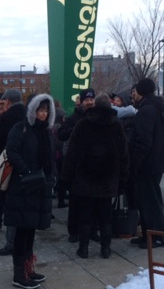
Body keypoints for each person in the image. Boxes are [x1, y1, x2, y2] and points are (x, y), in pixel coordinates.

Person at [62, 94, 129, 260]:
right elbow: (124, 154)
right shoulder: (116, 125)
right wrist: (123, 178)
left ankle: (83, 249)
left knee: (84, 215)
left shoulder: (83, 124)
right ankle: (105, 249)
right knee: (105, 215)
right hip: (108, 179)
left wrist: (66, 177)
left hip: (84, 177)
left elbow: (72, 152)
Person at [4, 94, 56, 288]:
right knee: (22, 232)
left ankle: (28, 268)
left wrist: (51, 177)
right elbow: (12, 152)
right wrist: (27, 171)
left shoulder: (46, 132)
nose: (43, 114)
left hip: (40, 187)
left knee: (31, 230)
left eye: (45, 110)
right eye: (40, 110)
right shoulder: (21, 128)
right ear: (32, 110)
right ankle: (19, 274)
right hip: (23, 187)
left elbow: (51, 157)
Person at [128, 78, 164, 249]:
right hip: (156, 161)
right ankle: (148, 235)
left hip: (147, 164)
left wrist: (135, 163)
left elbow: (143, 141)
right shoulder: (157, 107)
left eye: (135, 91)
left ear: (141, 91)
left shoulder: (146, 110)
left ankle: (156, 237)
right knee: (149, 201)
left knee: (150, 202)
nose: (133, 94)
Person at [0, 89, 25, 256]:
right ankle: (21, 241)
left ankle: (11, 243)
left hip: (9, 165)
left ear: (8, 102)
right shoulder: (28, 115)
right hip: (25, 166)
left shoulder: (8, 118)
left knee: (10, 205)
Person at [57, 88, 96, 244]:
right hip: (78, 166)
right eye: (86, 100)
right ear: (81, 101)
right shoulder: (74, 117)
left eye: (91, 99)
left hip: (94, 166)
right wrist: (76, 130)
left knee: (94, 201)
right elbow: (61, 134)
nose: (89, 102)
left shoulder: (99, 116)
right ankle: (73, 232)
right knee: (76, 202)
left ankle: (93, 230)